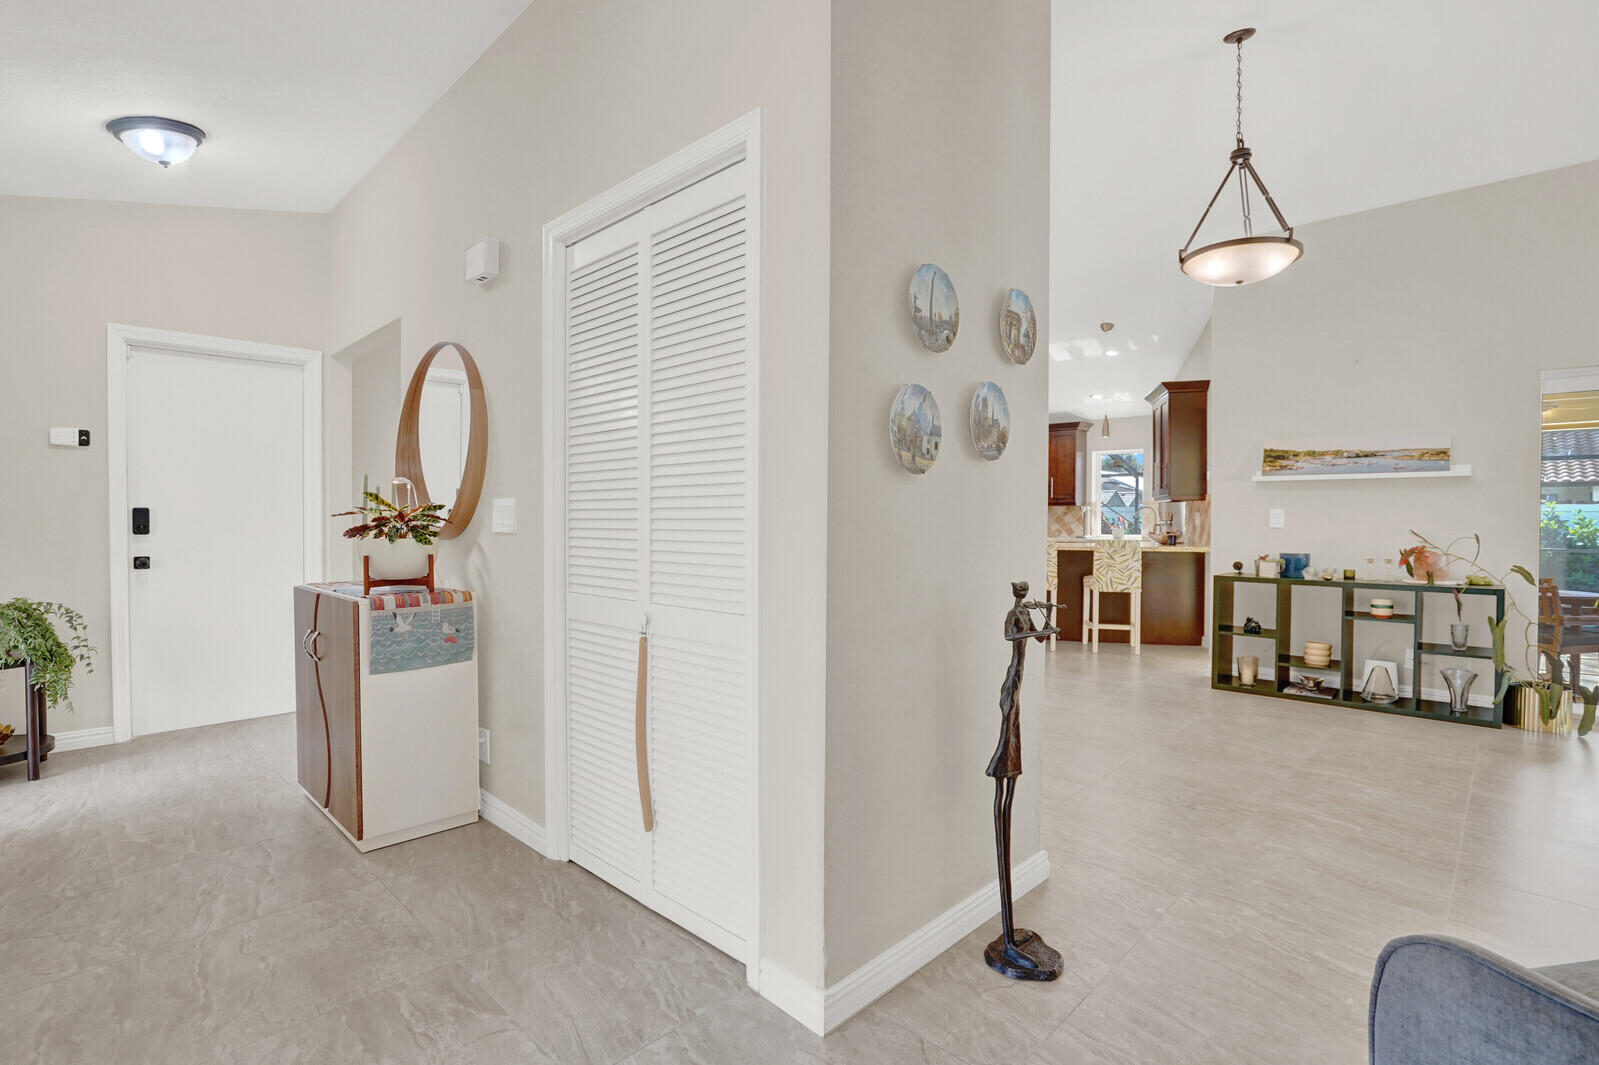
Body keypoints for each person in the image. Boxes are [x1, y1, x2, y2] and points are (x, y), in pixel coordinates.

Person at [984, 580, 1063, 980]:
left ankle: (1013, 933)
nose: (1021, 593)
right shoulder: (1015, 613)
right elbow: (1013, 636)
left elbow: (1035, 641)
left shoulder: (1028, 611)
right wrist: (1032, 630)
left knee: (1015, 751)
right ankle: (1008, 943)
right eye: (1019, 590)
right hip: (1010, 689)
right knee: (1009, 716)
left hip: (1017, 692)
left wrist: (1044, 629)